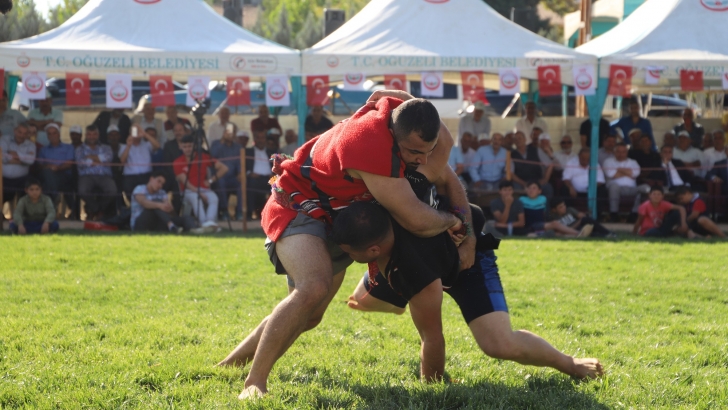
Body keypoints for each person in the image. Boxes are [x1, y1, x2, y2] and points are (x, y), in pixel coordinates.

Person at [217, 91, 472, 399]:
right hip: (298, 206)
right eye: (414, 152)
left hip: (340, 217)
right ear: (394, 134)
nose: (422, 160)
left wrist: (468, 234)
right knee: (312, 289)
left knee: (309, 316)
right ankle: (254, 383)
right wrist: (452, 221)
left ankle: (230, 364)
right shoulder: (369, 145)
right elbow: (416, 219)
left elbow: (446, 168)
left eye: (428, 151)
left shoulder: (409, 123)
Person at [331, 201, 603, 381]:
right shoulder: (389, 196)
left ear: (373, 250)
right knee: (360, 300)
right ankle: (401, 302)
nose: (347, 256)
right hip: (415, 260)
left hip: (467, 265)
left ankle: (570, 364)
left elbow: (433, 338)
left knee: (500, 345)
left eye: (350, 253)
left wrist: (433, 387)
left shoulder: (411, 271)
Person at [173, 134, 228, 231]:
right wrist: (199, 193)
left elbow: (224, 168)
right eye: (185, 147)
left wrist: (210, 180)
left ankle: (209, 222)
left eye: (190, 146)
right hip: (187, 190)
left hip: (203, 188)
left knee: (214, 198)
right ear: (180, 147)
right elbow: (185, 183)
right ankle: (204, 223)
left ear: (194, 146)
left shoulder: (203, 157)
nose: (187, 149)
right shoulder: (177, 162)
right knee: (196, 198)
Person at [130, 171, 197, 233]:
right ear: (151, 179)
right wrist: (159, 205)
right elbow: (144, 203)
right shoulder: (140, 188)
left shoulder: (162, 192)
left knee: (186, 217)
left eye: (162, 184)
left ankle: (194, 230)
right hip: (141, 223)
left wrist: (170, 209)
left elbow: (170, 211)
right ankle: (171, 225)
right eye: (158, 181)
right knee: (156, 201)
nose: (160, 185)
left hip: (158, 223)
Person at [75, 124, 117, 220]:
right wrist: (100, 160)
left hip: (104, 176)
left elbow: (108, 158)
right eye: (89, 134)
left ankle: (94, 210)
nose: (92, 136)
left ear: (98, 135)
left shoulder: (107, 148)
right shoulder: (79, 149)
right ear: (85, 135)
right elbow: (81, 163)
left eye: (94, 134)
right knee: (82, 190)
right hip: (86, 176)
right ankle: (97, 210)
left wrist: (89, 158)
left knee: (112, 191)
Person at [119, 125, 160, 201]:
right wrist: (129, 145)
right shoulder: (123, 146)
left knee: (149, 198)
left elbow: (157, 146)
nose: (136, 133)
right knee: (132, 198)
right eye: (134, 131)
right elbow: (122, 161)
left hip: (146, 176)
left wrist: (145, 134)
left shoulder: (147, 144)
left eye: (138, 131)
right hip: (130, 177)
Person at [37, 123, 75, 206]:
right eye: (49, 134)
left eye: (54, 133)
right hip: (49, 174)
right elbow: (40, 165)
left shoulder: (68, 147)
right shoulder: (43, 150)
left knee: (46, 184)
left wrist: (58, 168)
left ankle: (51, 202)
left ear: (59, 134)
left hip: (64, 175)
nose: (52, 135)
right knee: (47, 175)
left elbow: (69, 164)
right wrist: (48, 166)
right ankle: (54, 198)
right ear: (47, 136)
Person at [210, 126, 243, 220]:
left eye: (232, 132)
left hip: (233, 177)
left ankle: (240, 212)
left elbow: (239, 162)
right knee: (221, 183)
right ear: (224, 132)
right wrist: (222, 141)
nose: (230, 135)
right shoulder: (215, 144)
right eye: (228, 132)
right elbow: (212, 156)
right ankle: (224, 211)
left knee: (243, 183)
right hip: (220, 177)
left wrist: (240, 172)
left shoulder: (238, 147)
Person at [603, 143, 642, 222]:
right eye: (618, 152)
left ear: (627, 153)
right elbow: (612, 174)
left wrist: (618, 169)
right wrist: (628, 171)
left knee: (645, 189)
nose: (621, 154)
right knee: (614, 187)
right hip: (616, 188)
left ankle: (634, 214)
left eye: (623, 152)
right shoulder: (608, 161)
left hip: (631, 189)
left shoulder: (633, 162)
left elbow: (635, 174)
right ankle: (614, 214)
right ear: (614, 152)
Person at [511, 131, 553, 199]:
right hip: (521, 182)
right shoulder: (511, 154)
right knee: (515, 189)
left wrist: (545, 179)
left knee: (547, 187)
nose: (518, 140)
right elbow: (511, 173)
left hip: (537, 181)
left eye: (519, 138)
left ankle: (545, 209)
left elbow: (550, 165)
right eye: (515, 139)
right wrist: (524, 183)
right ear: (514, 142)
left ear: (525, 139)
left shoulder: (536, 150)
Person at [245, 129, 275, 220]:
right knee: (250, 184)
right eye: (258, 138)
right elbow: (243, 167)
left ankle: (272, 215)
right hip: (254, 178)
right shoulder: (248, 152)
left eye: (262, 138)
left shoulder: (272, 152)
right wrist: (249, 173)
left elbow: (278, 168)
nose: (260, 140)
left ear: (265, 139)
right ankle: (250, 214)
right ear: (254, 139)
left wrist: (273, 175)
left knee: (277, 185)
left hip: (270, 178)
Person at [2, 122, 36, 205]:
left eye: (25, 133)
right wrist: (22, 160)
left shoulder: (31, 145)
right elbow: (2, 157)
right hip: (3, 179)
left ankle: (22, 216)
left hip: (22, 179)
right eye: (20, 132)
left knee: (28, 192)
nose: (21, 136)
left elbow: (31, 160)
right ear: (14, 131)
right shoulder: (4, 140)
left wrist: (15, 155)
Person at [549, 197, 614, 238]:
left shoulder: (569, 210)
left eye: (564, 205)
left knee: (586, 220)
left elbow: (582, 216)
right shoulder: (553, 218)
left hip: (580, 226)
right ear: (554, 210)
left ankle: (608, 233)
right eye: (561, 207)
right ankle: (605, 235)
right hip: (573, 230)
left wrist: (580, 220)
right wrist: (578, 222)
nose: (564, 208)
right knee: (584, 231)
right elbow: (560, 231)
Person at [161, 122, 189, 212]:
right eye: (175, 131)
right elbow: (167, 164)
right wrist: (177, 177)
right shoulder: (168, 145)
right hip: (173, 177)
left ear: (185, 131)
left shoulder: (190, 145)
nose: (178, 133)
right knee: (174, 189)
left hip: (189, 176)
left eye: (180, 130)